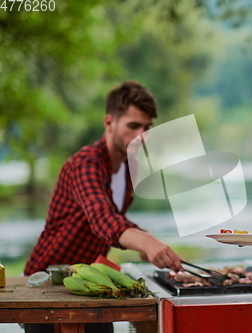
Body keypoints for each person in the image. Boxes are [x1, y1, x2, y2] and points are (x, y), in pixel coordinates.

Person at [23, 81, 183, 333]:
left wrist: (150, 241)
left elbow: (116, 218)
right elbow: (102, 218)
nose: (141, 136)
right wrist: (146, 243)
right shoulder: (86, 163)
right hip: (48, 283)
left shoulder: (131, 168)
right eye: (133, 126)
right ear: (109, 123)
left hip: (92, 283)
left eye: (147, 127)